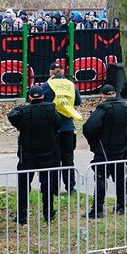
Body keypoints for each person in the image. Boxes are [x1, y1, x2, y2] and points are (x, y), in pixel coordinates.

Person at [7, 86, 61, 224]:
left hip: (28, 155)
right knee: (47, 185)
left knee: (24, 185)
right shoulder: (51, 109)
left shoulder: (22, 112)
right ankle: (48, 214)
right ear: (42, 96)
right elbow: (58, 124)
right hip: (47, 154)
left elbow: (11, 116)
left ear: (30, 97)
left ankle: (22, 215)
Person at [82, 84, 127, 218]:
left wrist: (95, 142)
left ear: (103, 95)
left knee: (100, 178)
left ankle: (97, 209)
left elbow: (88, 128)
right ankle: (121, 206)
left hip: (104, 151)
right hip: (121, 150)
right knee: (120, 178)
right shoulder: (125, 107)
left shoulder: (103, 108)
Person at [41, 61, 83, 194]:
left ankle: (54, 189)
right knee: (68, 157)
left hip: (52, 128)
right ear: (63, 72)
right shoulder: (71, 85)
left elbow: (39, 101)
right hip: (68, 127)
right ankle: (70, 187)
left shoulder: (47, 85)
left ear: (51, 73)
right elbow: (78, 101)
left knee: (53, 159)